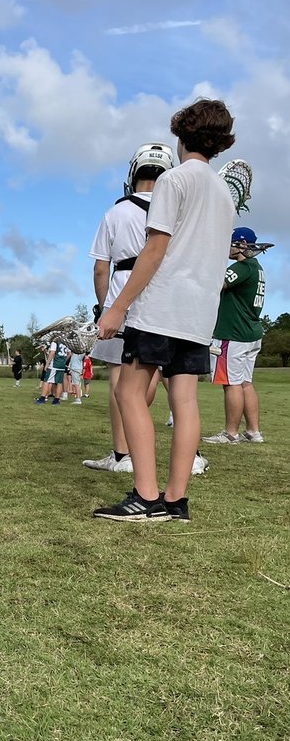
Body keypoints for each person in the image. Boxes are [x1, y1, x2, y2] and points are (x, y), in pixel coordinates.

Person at [94, 98, 236, 521]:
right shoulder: (224, 194)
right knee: (185, 401)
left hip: (161, 307)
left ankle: (145, 494)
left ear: (181, 135)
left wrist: (116, 307)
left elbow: (155, 249)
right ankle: (175, 500)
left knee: (128, 392)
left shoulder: (174, 180)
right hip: (198, 312)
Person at [83, 142, 173, 468]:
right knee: (158, 376)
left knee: (119, 380)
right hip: (163, 300)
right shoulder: (175, 212)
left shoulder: (116, 213)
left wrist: (105, 306)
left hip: (122, 296)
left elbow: (99, 268)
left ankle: (121, 453)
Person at [202, 228, 268, 444]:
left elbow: (215, 284)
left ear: (240, 244)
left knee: (231, 384)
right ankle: (253, 431)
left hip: (234, 334)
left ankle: (231, 433)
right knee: (245, 383)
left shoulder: (242, 267)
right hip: (251, 332)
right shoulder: (256, 268)